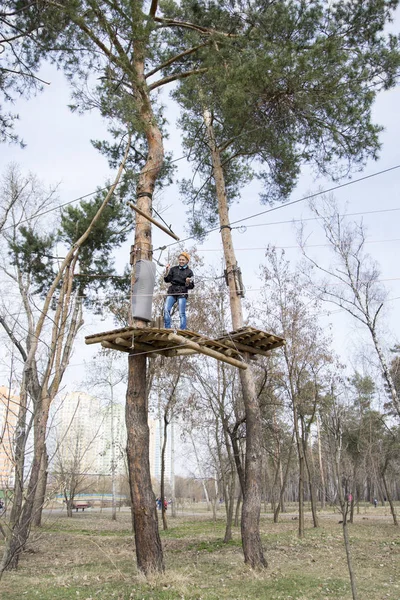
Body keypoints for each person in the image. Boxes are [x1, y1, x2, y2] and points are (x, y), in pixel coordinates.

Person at [164, 252, 194, 330]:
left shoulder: (189, 272)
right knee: (166, 309)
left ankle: (182, 329)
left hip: (182, 292)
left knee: (181, 313)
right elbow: (167, 280)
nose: (181, 261)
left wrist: (187, 282)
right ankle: (167, 328)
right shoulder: (173, 269)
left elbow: (192, 286)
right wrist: (166, 271)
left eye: (183, 260)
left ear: (187, 261)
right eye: (180, 259)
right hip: (172, 291)